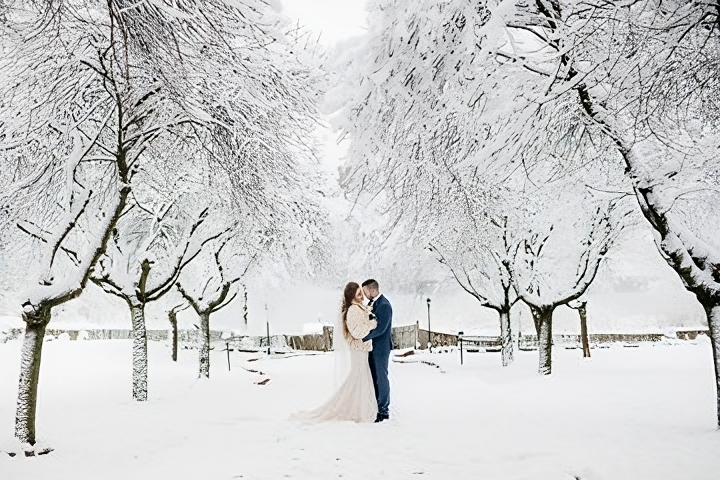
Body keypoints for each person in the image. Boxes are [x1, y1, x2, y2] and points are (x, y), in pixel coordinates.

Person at [292, 282, 378, 423]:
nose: (362, 296)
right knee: (357, 380)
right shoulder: (353, 310)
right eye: (358, 294)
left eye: (361, 293)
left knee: (360, 379)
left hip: (361, 350)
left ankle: (357, 407)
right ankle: (349, 408)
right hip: (358, 350)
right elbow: (357, 332)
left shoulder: (357, 308)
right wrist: (372, 324)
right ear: (352, 296)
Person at [361, 279, 393, 423]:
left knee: (381, 378)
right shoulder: (372, 304)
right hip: (372, 347)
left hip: (381, 348)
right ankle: (376, 405)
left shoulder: (384, 305)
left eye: (365, 291)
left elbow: (381, 329)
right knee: (373, 377)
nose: (364, 294)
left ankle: (384, 410)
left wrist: (363, 337)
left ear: (372, 289)